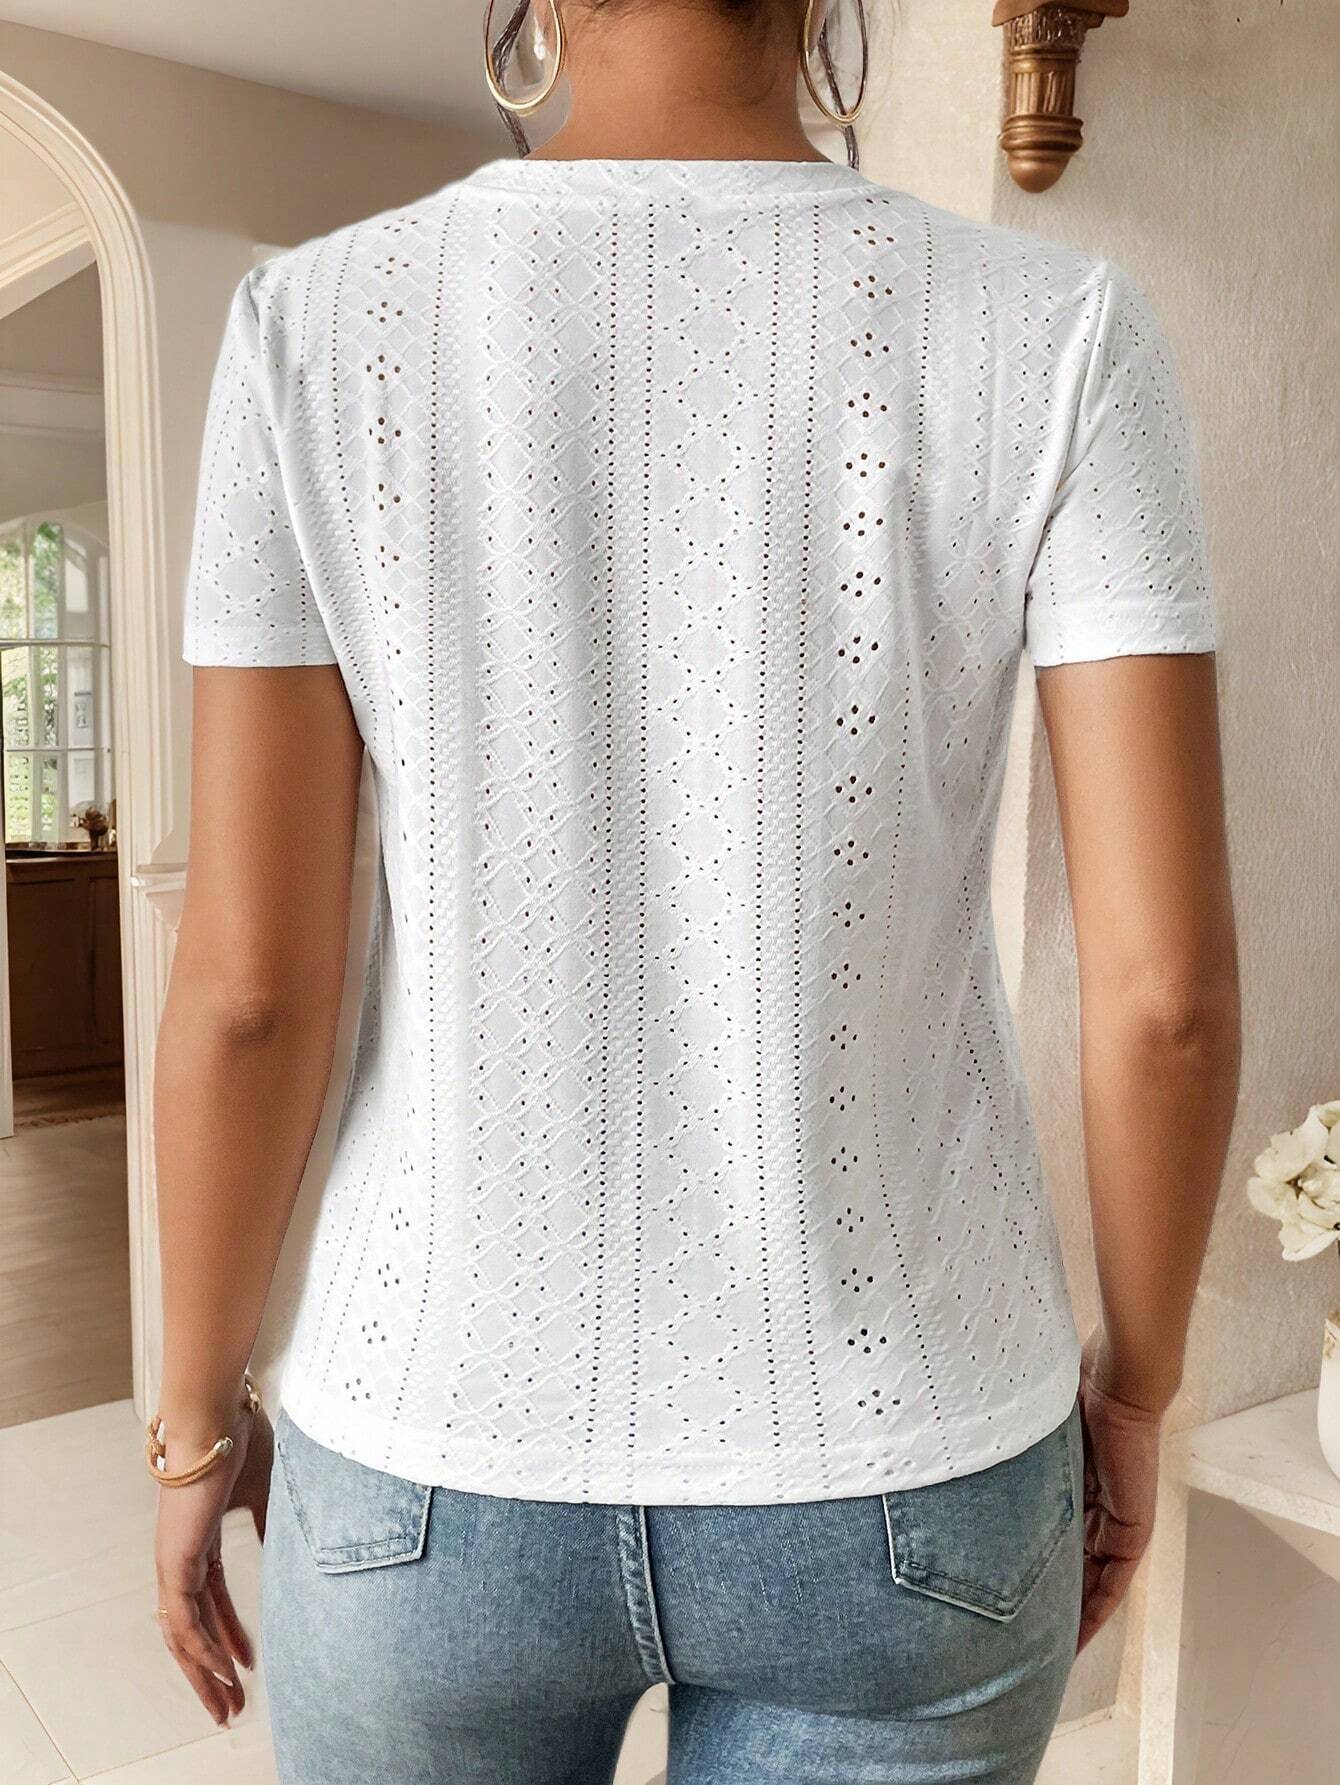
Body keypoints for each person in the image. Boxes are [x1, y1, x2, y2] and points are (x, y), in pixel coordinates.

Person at [148, 0, 1241, 1779]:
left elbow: (250, 989)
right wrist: (1135, 1389)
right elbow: (1163, 996)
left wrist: (193, 1425)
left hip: (431, 1455)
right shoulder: (1056, 330)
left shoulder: (313, 327)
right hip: (908, 1462)